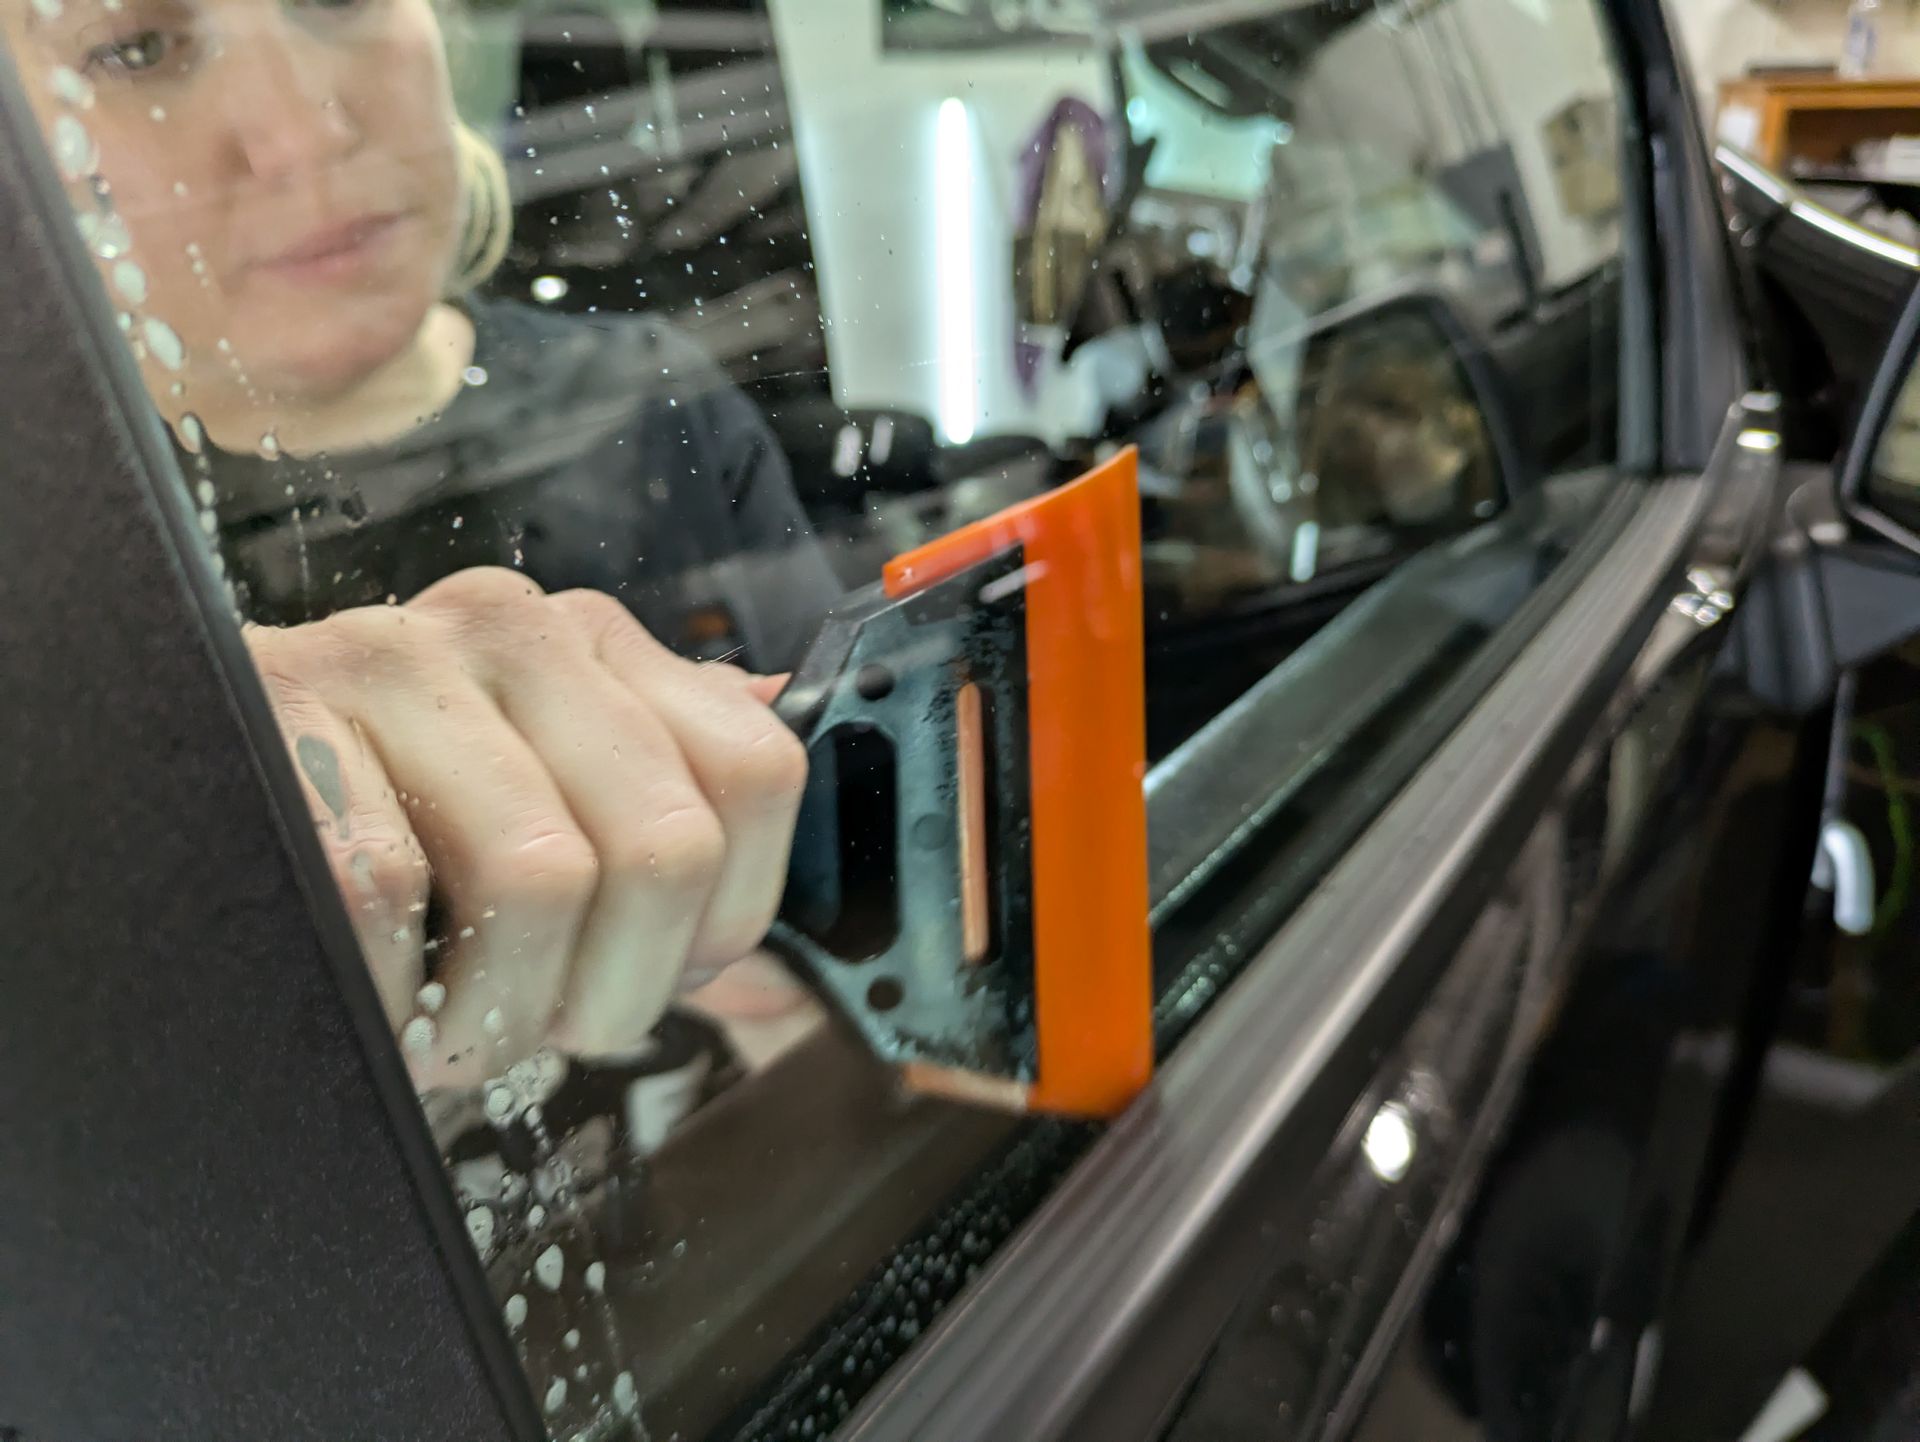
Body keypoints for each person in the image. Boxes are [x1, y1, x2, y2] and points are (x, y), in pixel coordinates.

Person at [2, 0, 837, 1094]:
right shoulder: (44, 564)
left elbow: (854, 902)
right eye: (134, 47)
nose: (301, 132)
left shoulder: (661, 403)